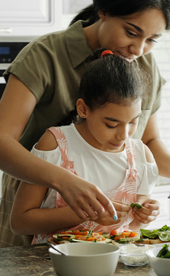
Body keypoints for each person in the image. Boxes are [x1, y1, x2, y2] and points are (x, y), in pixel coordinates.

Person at [0, 0, 170, 248]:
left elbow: (148, 140)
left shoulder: (144, 64)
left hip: (106, 238)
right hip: (37, 212)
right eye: (131, 32)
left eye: (152, 39)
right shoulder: (45, 55)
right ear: (103, 12)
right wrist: (64, 181)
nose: (139, 49)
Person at [11, 50, 160, 243]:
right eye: (111, 124)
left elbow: (133, 228)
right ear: (83, 109)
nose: (124, 135)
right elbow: (20, 222)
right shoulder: (55, 145)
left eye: (133, 122)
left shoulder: (141, 156)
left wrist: (145, 216)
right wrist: (87, 213)